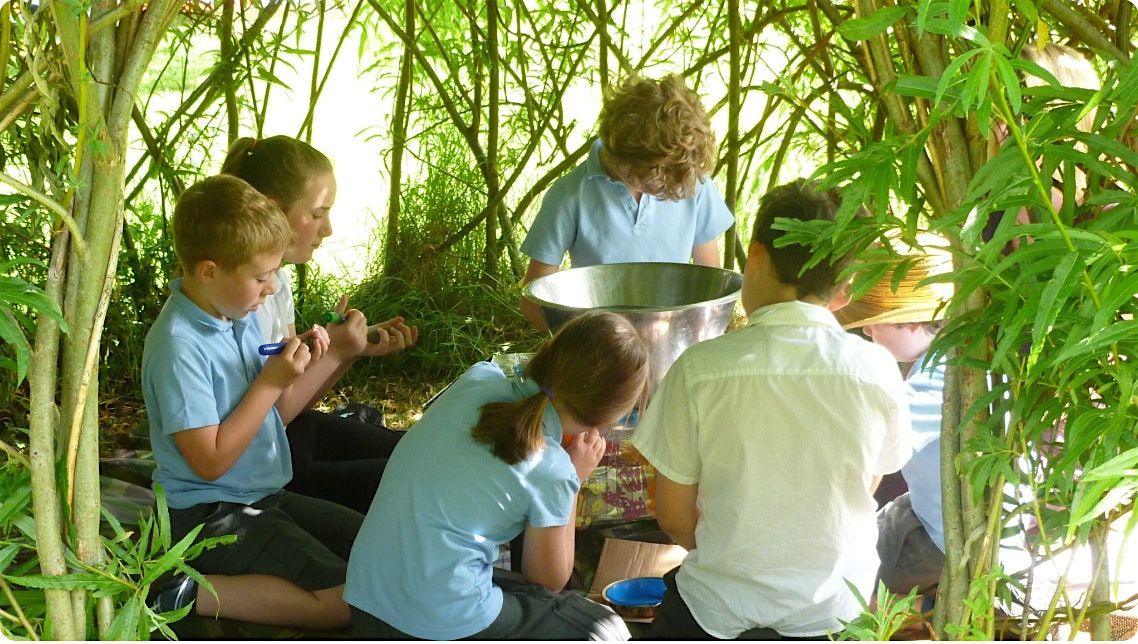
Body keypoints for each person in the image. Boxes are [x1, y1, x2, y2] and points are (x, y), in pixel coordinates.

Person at [631, 179, 913, 639]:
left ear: (755, 257)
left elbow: (674, 515)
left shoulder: (700, 368)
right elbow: (864, 487)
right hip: (834, 612)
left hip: (716, 610)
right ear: (844, 290)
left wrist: (741, 558)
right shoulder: (878, 370)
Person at [345, 311, 650, 640]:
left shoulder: (478, 377)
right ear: (607, 417)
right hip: (433, 622)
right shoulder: (552, 469)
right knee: (605, 629)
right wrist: (574, 479)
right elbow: (548, 581)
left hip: (365, 600)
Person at [142, 174, 362, 629]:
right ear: (208, 270)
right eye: (262, 277)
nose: (270, 288)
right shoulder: (178, 346)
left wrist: (307, 363)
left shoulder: (232, 315)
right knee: (348, 602)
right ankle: (180, 590)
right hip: (206, 513)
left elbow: (270, 417)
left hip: (262, 495)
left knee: (376, 551)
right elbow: (209, 462)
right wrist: (268, 383)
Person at [221, 135, 418, 513]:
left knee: (414, 450)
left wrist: (347, 352)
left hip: (292, 434)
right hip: (264, 465)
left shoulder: (277, 282)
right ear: (274, 212)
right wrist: (338, 352)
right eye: (317, 214)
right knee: (410, 476)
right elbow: (272, 414)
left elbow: (291, 402)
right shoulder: (243, 297)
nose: (327, 229)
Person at [519, 74, 735, 330]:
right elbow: (532, 301)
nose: (666, 190)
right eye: (657, 183)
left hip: (673, 340)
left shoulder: (691, 182)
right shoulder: (569, 194)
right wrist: (578, 346)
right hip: (600, 345)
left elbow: (710, 291)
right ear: (624, 157)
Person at [837, 247, 953, 596]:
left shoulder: (940, 376)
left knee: (843, 577)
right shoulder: (946, 353)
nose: (868, 331)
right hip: (924, 509)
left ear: (914, 320)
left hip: (943, 535)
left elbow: (875, 445)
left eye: (874, 321)